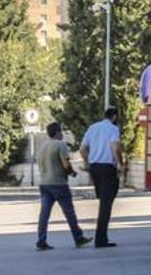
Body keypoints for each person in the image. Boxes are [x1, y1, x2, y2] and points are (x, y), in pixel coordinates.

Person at [36, 122, 91, 251]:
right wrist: (72, 173)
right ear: (57, 133)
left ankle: (41, 240)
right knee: (69, 213)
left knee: (44, 214)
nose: (62, 134)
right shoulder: (61, 145)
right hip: (59, 183)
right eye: (61, 131)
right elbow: (65, 164)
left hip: (44, 183)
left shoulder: (42, 147)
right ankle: (78, 238)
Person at [80, 107, 123, 248]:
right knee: (106, 204)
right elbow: (115, 146)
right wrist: (120, 163)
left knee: (103, 201)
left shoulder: (93, 128)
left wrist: (88, 161)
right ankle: (101, 239)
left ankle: (101, 237)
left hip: (95, 168)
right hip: (107, 168)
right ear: (115, 116)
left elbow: (83, 149)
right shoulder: (112, 129)